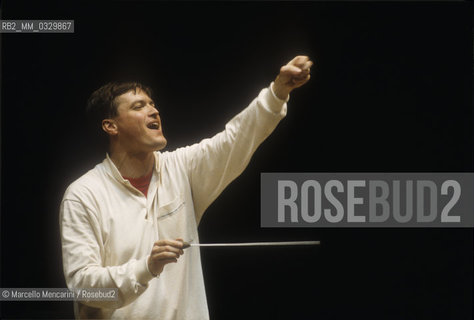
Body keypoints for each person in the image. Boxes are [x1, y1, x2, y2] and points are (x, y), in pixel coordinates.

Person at [60, 55, 313, 319]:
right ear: (111, 126)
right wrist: (146, 267)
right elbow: (82, 286)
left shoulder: (181, 168)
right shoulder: (83, 194)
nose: (153, 110)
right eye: (138, 106)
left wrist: (278, 92)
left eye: (152, 104)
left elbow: (235, 140)